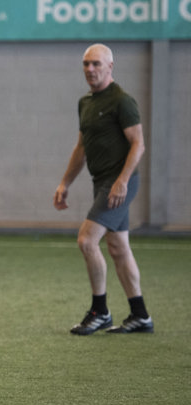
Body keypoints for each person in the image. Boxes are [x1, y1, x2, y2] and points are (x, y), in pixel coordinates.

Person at [54, 44, 153, 335]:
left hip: (119, 182)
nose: (90, 69)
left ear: (110, 66)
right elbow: (81, 148)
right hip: (103, 182)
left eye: (96, 64)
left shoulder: (122, 101)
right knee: (118, 248)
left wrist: (122, 180)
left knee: (87, 240)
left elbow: (139, 143)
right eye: (86, 64)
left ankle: (100, 311)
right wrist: (65, 183)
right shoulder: (85, 103)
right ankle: (140, 315)